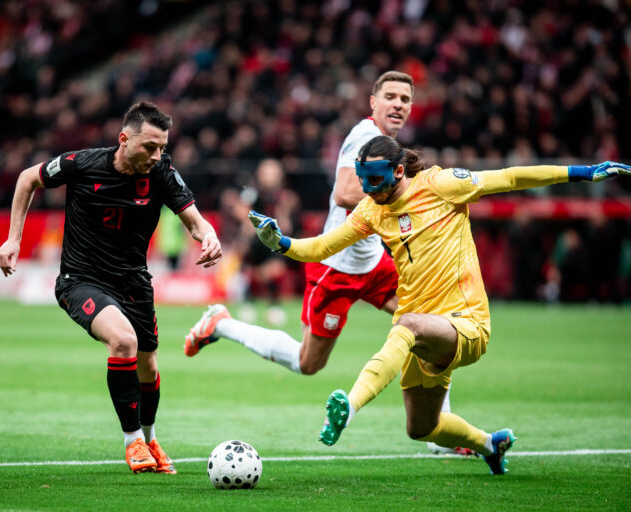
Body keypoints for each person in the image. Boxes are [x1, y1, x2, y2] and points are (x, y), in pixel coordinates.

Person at [248, 134, 630, 475]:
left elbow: (511, 177)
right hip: (424, 331)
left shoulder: (442, 184)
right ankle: (489, 444)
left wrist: (583, 172)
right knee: (422, 428)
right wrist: (280, 243)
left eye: (375, 180)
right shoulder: (371, 209)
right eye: (362, 180)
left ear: (399, 171)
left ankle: (349, 405)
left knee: (406, 325)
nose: (367, 189)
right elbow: (322, 247)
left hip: (466, 323)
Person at [185, 71, 468, 455]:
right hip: (336, 266)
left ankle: (438, 432)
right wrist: (404, 193)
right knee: (308, 362)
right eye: (391, 97)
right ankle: (222, 324)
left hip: (373, 264)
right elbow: (344, 192)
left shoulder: (387, 144)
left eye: (405, 98)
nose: (398, 104)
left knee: (426, 326)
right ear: (373, 102)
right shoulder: (363, 136)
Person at [0, 101, 222, 474]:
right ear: (124, 139)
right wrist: (13, 239)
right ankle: (132, 440)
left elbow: (195, 221)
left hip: (133, 281)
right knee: (123, 341)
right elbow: (26, 179)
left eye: (163, 146)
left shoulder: (162, 173)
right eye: (150, 146)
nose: (157, 154)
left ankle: (149, 438)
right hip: (81, 280)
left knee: (148, 366)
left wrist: (208, 236)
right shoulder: (82, 164)